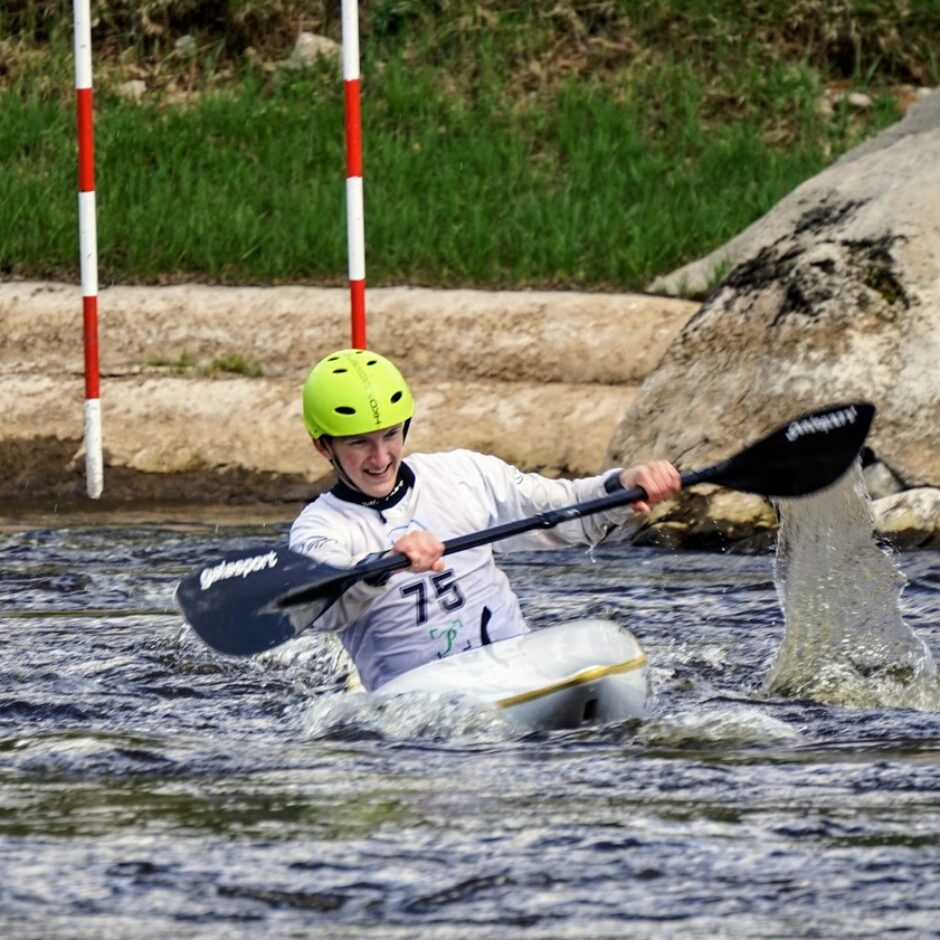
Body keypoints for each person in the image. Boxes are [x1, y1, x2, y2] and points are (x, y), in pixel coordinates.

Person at [289, 348, 681, 692]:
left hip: (516, 670)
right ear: (324, 446)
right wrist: (383, 565)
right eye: (359, 442)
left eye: (390, 435)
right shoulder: (319, 528)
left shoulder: (463, 474)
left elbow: (566, 510)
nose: (380, 458)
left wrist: (623, 485)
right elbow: (323, 606)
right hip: (418, 704)